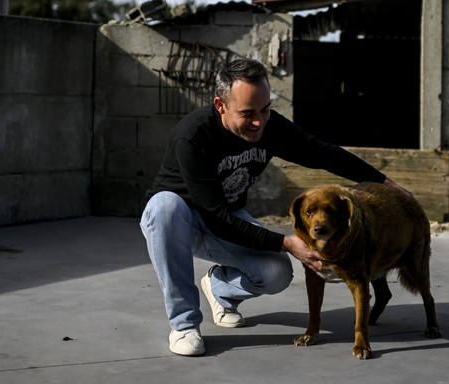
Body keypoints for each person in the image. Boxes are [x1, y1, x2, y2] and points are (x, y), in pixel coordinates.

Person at [139, 56, 411, 356]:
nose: (258, 122)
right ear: (220, 106)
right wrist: (287, 242)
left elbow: (322, 153)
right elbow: (213, 215)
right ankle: (184, 324)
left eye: (265, 109)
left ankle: (219, 288)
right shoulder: (193, 136)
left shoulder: (270, 126)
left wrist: (385, 183)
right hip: (181, 222)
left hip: (227, 217)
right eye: (247, 113)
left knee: (277, 274)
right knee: (164, 206)